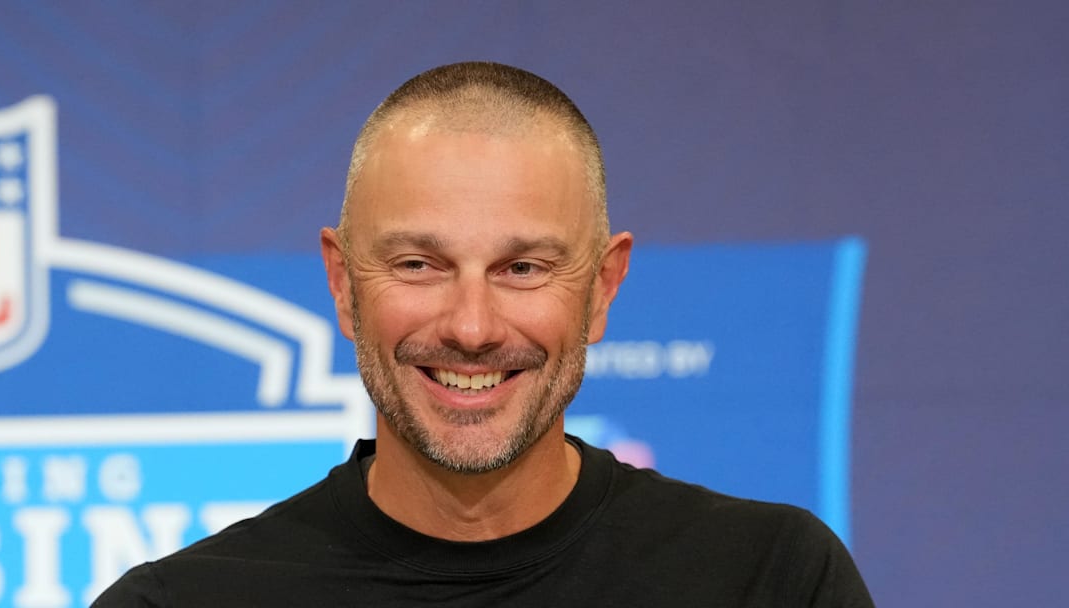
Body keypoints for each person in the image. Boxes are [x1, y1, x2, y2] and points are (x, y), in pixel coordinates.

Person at [93, 61, 874, 607]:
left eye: (524, 269)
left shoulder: (769, 580)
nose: (471, 327)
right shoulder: (179, 602)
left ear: (602, 288)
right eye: (419, 263)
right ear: (342, 283)